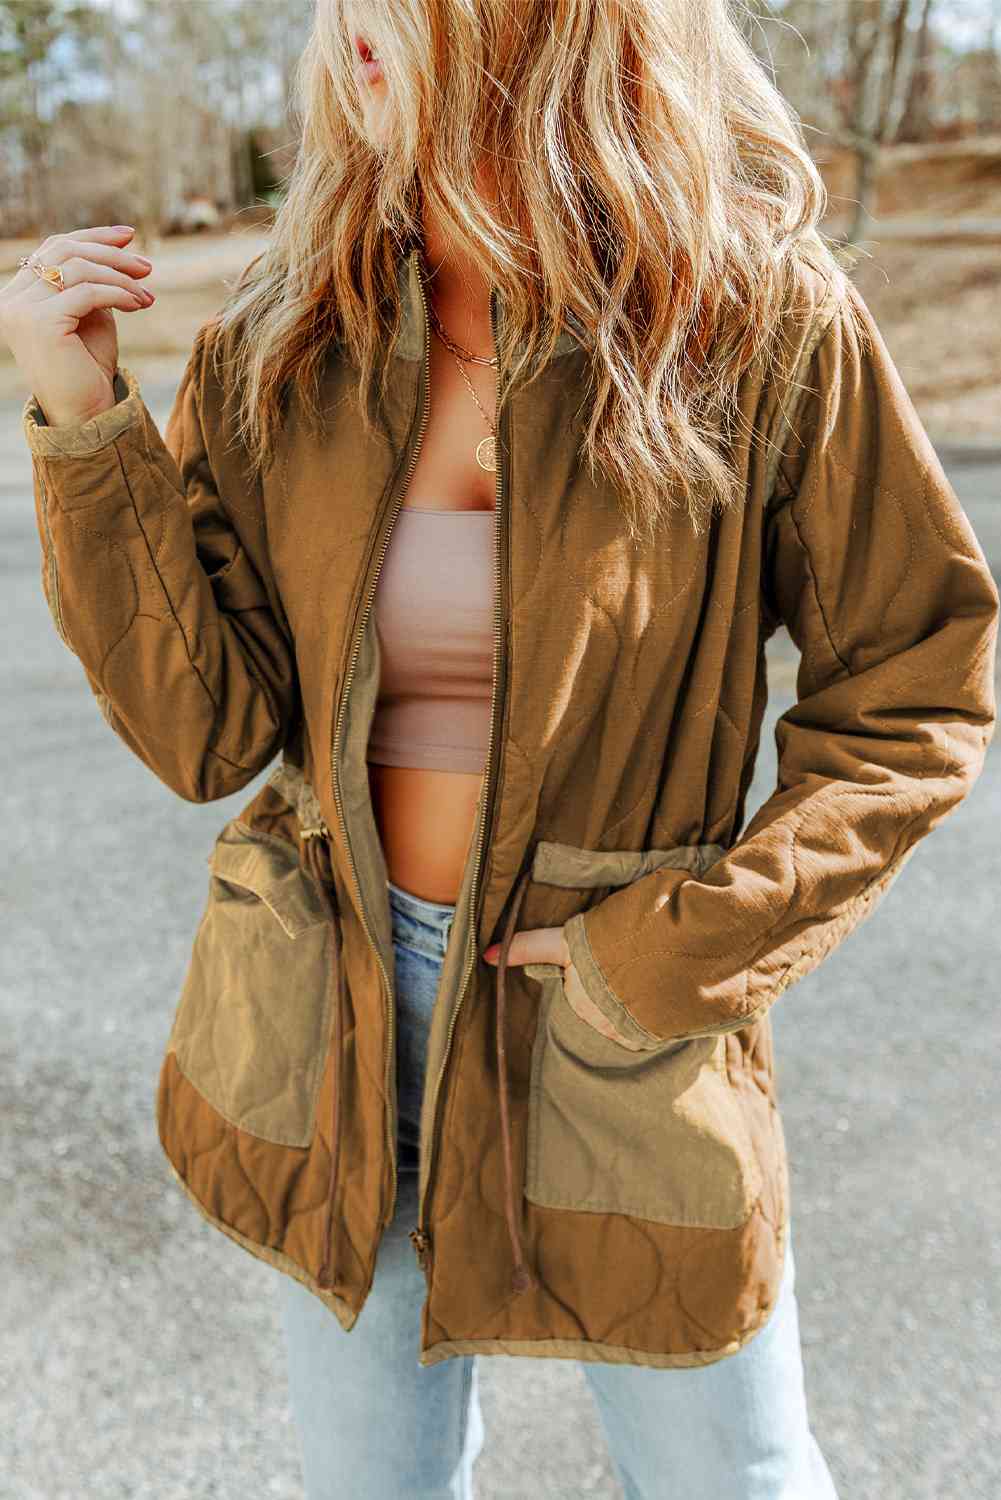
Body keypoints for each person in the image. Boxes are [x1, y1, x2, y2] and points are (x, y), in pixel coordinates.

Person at [5, 1, 997, 1496]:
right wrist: (84, 418)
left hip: (614, 1021)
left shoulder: (757, 317)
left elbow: (915, 692)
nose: (353, 19)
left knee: (738, 1477)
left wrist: (674, 953)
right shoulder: (292, 326)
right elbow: (208, 734)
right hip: (336, 1009)